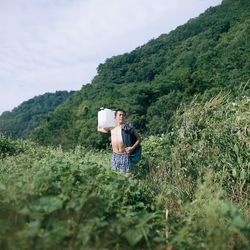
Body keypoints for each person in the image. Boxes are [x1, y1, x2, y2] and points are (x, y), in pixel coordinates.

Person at [97, 108, 141, 173]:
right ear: (115, 117)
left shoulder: (128, 128)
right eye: (119, 115)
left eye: (123, 115)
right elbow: (99, 128)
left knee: (127, 176)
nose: (121, 116)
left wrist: (132, 148)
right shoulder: (111, 128)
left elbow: (139, 139)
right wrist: (103, 116)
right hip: (115, 156)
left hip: (125, 155)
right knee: (115, 176)